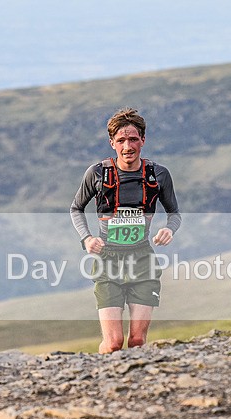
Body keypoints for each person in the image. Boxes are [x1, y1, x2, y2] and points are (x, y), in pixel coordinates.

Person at [70, 107, 182, 353]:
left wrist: (168, 229)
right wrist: (87, 238)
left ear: (143, 140)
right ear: (112, 143)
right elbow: (76, 208)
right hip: (107, 262)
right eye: (121, 140)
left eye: (133, 139)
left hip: (143, 261)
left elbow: (174, 214)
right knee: (113, 343)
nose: (127, 146)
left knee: (137, 342)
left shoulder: (158, 174)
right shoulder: (98, 173)